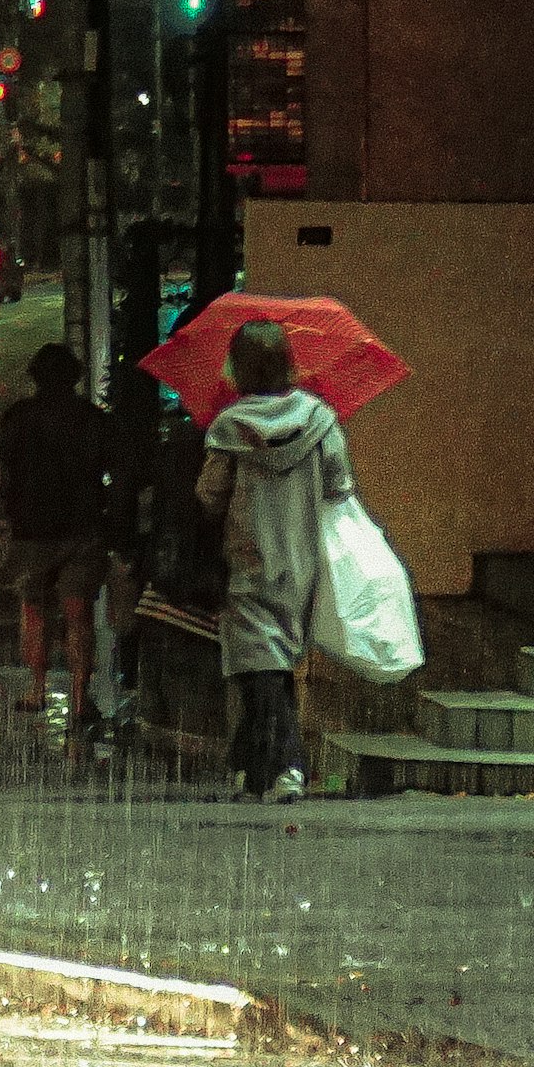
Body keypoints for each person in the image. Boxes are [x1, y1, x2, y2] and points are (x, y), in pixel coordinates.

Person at [195, 317, 353, 802]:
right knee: (275, 663)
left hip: (248, 557)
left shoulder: (229, 426)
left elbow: (209, 494)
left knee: (259, 665)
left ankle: (287, 765)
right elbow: (338, 484)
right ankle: (247, 767)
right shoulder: (320, 419)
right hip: (301, 559)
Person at [0, 343, 109, 732]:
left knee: (35, 612)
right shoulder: (92, 419)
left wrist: (11, 504)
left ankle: (37, 688)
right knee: (79, 618)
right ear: (76, 377)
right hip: (82, 530)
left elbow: (0, 468)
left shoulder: (19, 417)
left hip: (31, 531)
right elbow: (112, 468)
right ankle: (78, 699)